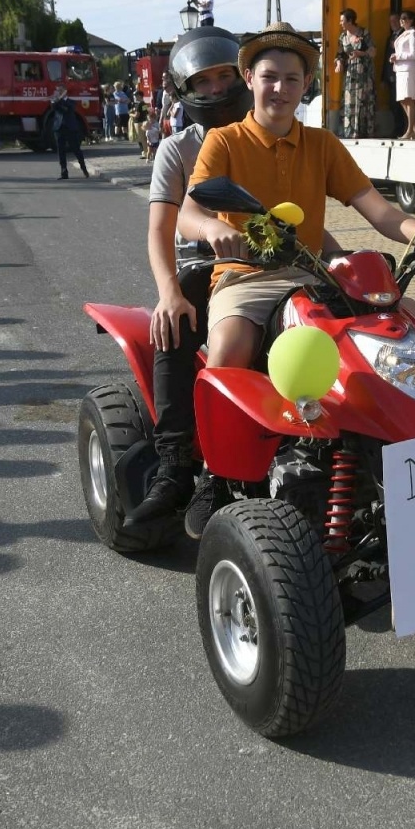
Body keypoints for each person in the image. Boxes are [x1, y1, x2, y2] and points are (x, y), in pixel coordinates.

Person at [178, 23, 415, 534]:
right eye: (269, 76)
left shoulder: (322, 144)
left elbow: (380, 211)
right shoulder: (225, 141)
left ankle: (398, 450)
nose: (280, 88)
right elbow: (189, 212)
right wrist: (213, 230)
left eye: (292, 79)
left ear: (306, 84)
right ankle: (216, 474)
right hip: (246, 276)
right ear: (249, 78)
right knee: (229, 347)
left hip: (313, 272)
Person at [136, 26, 256, 519]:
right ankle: (177, 464)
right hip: (203, 267)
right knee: (176, 318)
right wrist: (168, 292)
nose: (216, 89)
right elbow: (160, 229)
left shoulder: (267, 135)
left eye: (224, 76)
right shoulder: (177, 149)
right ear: (185, 91)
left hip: (270, 265)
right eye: (203, 82)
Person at [334, 8, 376, 140]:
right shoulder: (342, 37)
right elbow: (339, 54)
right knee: (349, 101)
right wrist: (339, 63)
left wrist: (360, 53)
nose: (340, 23)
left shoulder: (364, 33)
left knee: (364, 101)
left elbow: (373, 51)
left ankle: (365, 131)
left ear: (350, 21)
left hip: (364, 73)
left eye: (342, 20)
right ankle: (350, 132)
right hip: (350, 74)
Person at [389, 10, 415, 141]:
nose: (402, 21)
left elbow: (414, 54)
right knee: (403, 99)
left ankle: (410, 130)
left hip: (409, 69)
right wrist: (395, 57)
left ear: (411, 20)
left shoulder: (413, 34)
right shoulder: (404, 33)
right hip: (400, 69)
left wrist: (398, 56)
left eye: (404, 19)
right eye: (401, 19)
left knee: (409, 99)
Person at [49, 89, 90, 179]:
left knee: (76, 149)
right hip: (59, 128)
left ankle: (84, 168)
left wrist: (61, 99)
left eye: (59, 92)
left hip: (70, 129)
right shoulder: (55, 101)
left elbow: (67, 109)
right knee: (61, 151)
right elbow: (54, 106)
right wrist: (58, 99)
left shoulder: (71, 102)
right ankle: (64, 172)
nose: (57, 93)